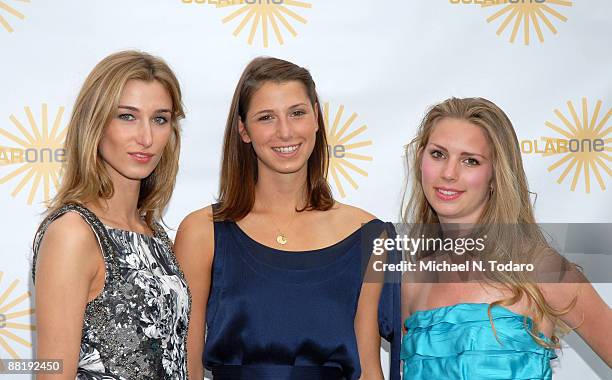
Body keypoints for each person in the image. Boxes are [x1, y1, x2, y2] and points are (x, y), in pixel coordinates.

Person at [174, 57, 400, 380]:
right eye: (266, 117)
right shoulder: (201, 233)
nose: (285, 131)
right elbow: (186, 369)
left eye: (297, 113)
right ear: (244, 130)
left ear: (317, 119)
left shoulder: (369, 236)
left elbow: (368, 369)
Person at [400, 97, 611, 379]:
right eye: (438, 154)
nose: (449, 173)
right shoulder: (412, 282)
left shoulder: (541, 269)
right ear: (420, 159)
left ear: (495, 175)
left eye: (470, 160)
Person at [32, 50, 190, 379]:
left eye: (160, 119)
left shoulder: (155, 234)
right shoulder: (73, 234)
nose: (146, 138)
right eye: (127, 116)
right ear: (95, 123)